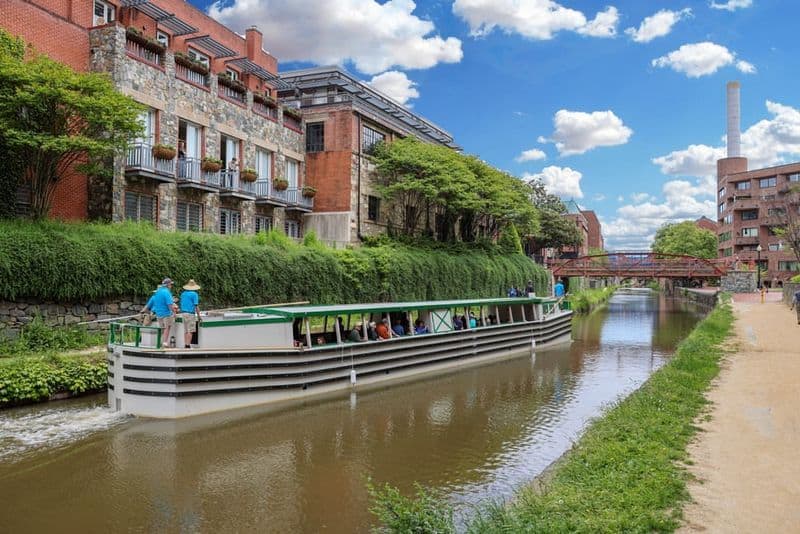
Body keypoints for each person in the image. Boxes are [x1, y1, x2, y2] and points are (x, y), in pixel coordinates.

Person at [152, 278, 178, 347]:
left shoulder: (158, 291)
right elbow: (169, 304)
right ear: (168, 285)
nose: (171, 286)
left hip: (158, 313)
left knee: (162, 328)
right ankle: (165, 343)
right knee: (167, 327)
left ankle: (160, 343)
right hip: (166, 313)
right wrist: (174, 312)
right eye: (171, 285)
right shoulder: (167, 292)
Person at [179, 279, 201, 349]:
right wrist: (199, 316)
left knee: (186, 330)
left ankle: (186, 344)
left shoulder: (183, 294)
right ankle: (188, 346)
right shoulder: (194, 294)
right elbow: (196, 306)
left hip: (183, 313)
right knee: (190, 331)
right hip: (190, 314)